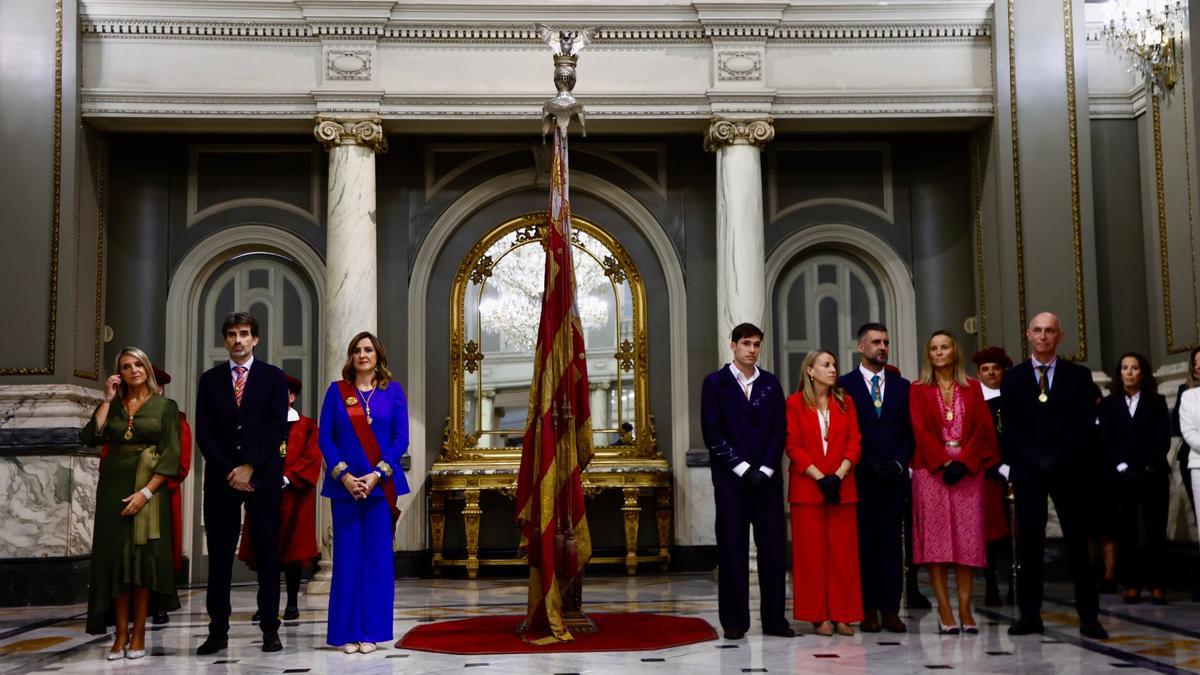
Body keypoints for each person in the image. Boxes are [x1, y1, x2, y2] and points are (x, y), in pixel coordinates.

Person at [1001, 312, 1108, 639]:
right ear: (1029, 335)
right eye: (1038, 331)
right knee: (1030, 545)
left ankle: (1089, 618)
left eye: (1050, 331)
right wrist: (1035, 458)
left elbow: (1085, 425)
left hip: (1070, 470)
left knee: (1079, 544)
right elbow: (1011, 429)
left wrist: (1057, 457)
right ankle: (1030, 615)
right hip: (1029, 470)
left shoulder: (1078, 376)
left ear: (1059, 336)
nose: (1044, 336)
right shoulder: (1014, 378)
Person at [194, 312, 290, 655]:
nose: (238, 339)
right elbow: (204, 433)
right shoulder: (210, 380)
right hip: (222, 481)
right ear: (225, 341)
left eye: (245, 334)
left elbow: (277, 428)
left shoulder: (273, 378)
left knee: (267, 556)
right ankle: (217, 630)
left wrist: (250, 467)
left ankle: (269, 629)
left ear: (256, 340)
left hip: (262, 479)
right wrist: (232, 470)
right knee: (219, 559)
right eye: (232, 334)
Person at [80, 347, 181, 660]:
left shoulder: (165, 406)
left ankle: (139, 633)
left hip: (149, 492)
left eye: (138, 364)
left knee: (142, 562)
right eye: (126, 366)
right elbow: (91, 437)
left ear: (147, 368)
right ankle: (120, 633)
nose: (133, 370)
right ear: (118, 373)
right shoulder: (115, 406)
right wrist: (107, 399)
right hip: (112, 489)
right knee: (116, 564)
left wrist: (146, 493)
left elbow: (171, 455)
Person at [700, 323, 794, 640]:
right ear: (733, 346)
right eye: (746, 344)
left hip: (766, 482)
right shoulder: (715, 384)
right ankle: (735, 621)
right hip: (731, 482)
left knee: (773, 552)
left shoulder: (770, 383)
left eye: (756, 344)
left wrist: (765, 469)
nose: (752, 349)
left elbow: (779, 430)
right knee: (732, 551)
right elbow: (712, 433)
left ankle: (775, 620)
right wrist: (742, 468)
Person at [318, 331, 409, 653]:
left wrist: (376, 474)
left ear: (378, 356)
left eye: (368, 350)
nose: (362, 355)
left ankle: (371, 631)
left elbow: (401, 439)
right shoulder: (337, 392)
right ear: (351, 357)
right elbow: (325, 437)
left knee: (377, 561)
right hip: (345, 488)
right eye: (356, 350)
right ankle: (347, 633)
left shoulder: (393, 392)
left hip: (379, 488)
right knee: (347, 559)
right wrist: (343, 475)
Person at [909, 331, 1000, 634]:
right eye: (933, 348)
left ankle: (964, 607)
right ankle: (945, 609)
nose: (939, 352)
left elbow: (983, 429)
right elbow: (919, 430)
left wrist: (964, 462)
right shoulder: (918, 389)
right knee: (936, 545)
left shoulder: (973, 388)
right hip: (931, 472)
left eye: (944, 347)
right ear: (928, 354)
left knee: (966, 542)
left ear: (954, 351)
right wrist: (944, 461)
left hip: (968, 473)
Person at [838, 322, 913, 633]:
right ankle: (867, 608)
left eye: (885, 342)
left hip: (893, 478)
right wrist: (864, 462)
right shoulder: (844, 385)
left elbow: (910, 431)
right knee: (864, 544)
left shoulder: (902, 386)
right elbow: (843, 432)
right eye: (875, 342)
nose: (882, 347)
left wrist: (897, 462)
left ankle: (891, 609)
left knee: (892, 545)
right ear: (861, 347)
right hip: (860, 477)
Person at [786, 349, 863, 636]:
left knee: (843, 555)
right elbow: (792, 445)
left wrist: (839, 474)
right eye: (826, 364)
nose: (833, 369)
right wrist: (820, 478)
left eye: (834, 364)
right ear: (810, 370)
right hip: (808, 488)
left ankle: (844, 614)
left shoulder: (846, 402)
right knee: (811, 556)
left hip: (842, 486)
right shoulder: (793, 404)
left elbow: (855, 441)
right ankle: (817, 616)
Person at [239, 375, 323, 621]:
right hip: (263, 494)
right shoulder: (261, 424)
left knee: (293, 553)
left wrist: (286, 478)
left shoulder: (307, 426)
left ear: (292, 397)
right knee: (265, 550)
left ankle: (292, 603)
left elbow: (312, 457)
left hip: (294, 496)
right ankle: (265, 605)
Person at [1100, 353, 1171, 605]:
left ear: (1143, 373)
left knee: (1155, 530)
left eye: (1135, 368)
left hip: (1153, 475)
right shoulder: (1109, 404)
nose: (1129, 372)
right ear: (1119, 373)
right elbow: (1107, 441)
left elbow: (1162, 438)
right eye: (1125, 368)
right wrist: (1122, 468)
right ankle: (1131, 583)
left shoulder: (1157, 402)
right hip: (1122, 477)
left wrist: (1149, 468)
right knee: (1126, 531)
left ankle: (1157, 584)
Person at [971, 346, 1015, 607]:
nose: (991, 373)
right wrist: (992, 463)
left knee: (1015, 531)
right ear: (979, 373)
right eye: (985, 369)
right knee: (991, 532)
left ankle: (1014, 582)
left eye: (995, 369)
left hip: (1013, 470)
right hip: (986, 472)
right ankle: (990, 584)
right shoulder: (975, 400)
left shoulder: (1013, 397)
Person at [1171, 346, 1200, 600]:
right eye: (1196, 362)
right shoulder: (1186, 393)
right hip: (1195, 462)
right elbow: (1184, 430)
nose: (1199, 366)